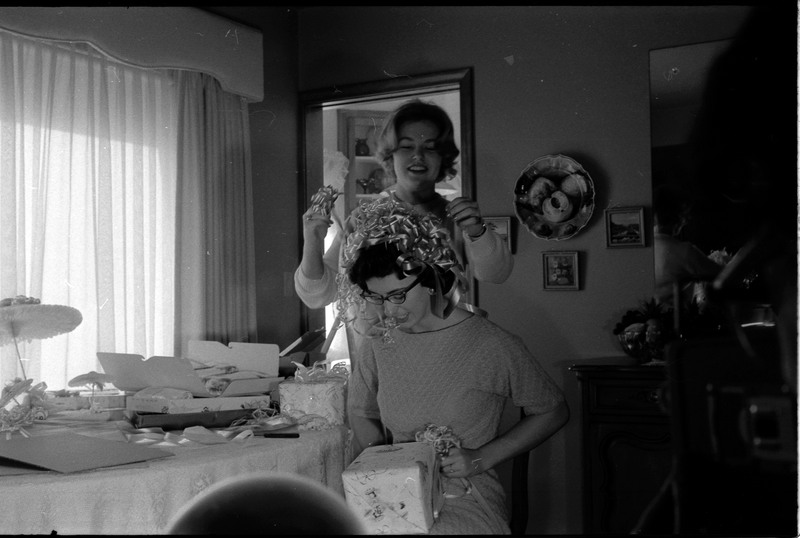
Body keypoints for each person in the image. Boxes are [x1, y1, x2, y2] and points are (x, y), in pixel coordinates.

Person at [342, 198, 569, 534]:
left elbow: (553, 411)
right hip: (395, 499)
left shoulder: (491, 343)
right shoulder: (379, 341)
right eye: (375, 297)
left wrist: (482, 457)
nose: (388, 312)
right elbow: (360, 410)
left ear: (431, 276)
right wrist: (384, 467)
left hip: (463, 499)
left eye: (398, 295)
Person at [295, 99, 513, 311]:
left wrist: (478, 232)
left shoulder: (456, 219)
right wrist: (312, 240)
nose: (418, 156)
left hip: (439, 344)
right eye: (407, 146)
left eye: (430, 148)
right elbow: (318, 296)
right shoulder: (361, 220)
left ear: (443, 157)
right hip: (377, 343)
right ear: (391, 155)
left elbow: (496, 274)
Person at [652, 183, 722, 309]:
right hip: (675, 321)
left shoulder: (645, 247)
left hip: (647, 319)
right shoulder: (684, 251)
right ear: (679, 216)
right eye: (685, 213)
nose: (687, 219)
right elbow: (722, 275)